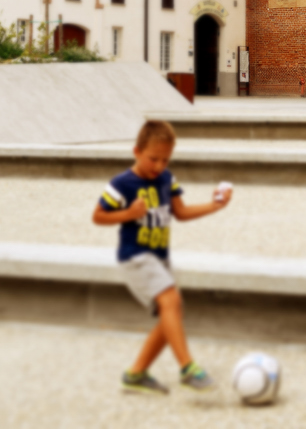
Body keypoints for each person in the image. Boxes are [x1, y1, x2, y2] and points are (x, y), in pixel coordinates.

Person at [93, 119, 232, 394]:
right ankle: (188, 368)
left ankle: (135, 374)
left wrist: (215, 206)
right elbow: (98, 216)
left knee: (171, 313)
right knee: (170, 301)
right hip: (135, 256)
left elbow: (180, 212)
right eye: (152, 159)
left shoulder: (167, 179)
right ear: (136, 152)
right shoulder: (122, 183)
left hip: (160, 258)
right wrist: (128, 214)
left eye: (165, 160)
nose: (159, 166)